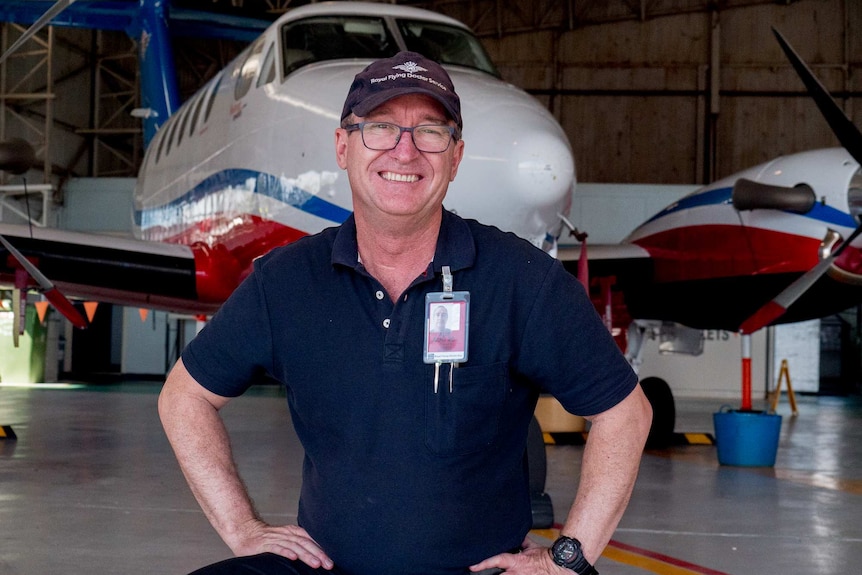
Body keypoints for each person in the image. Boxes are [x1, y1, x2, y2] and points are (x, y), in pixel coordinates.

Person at [158, 51, 652, 575]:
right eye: (381, 128)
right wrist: (244, 528)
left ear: (456, 156)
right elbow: (184, 396)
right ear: (343, 146)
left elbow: (625, 413)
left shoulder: (522, 280)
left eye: (430, 132)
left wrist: (566, 559)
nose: (405, 150)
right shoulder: (284, 282)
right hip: (327, 569)